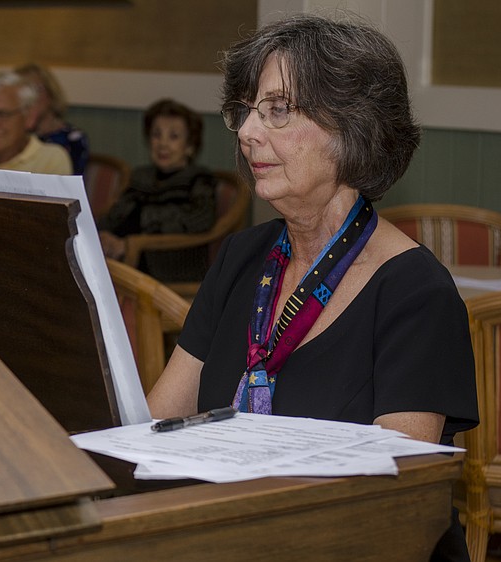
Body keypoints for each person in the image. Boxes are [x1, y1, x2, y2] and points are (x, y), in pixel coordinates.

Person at [145, 14, 478, 562]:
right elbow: (158, 424)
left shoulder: (416, 292)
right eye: (248, 111)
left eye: (278, 110)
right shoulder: (240, 257)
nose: (249, 132)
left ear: (353, 128)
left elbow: (401, 501)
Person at [97, 98, 216, 283]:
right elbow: (116, 215)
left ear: (190, 146)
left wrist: (129, 244)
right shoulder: (140, 175)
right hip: (120, 261)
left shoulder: (199, 178)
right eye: (156, 134)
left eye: (174, 137)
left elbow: (200, 219)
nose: (162, 144)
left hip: (169, 265)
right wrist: (103, 235)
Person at [15, 63, 90, 175]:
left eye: (35, 89)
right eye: (23, 92)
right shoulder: (15, 135)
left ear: (51, 93)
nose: (30, 98)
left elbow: (70, 183)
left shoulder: (73, 139)